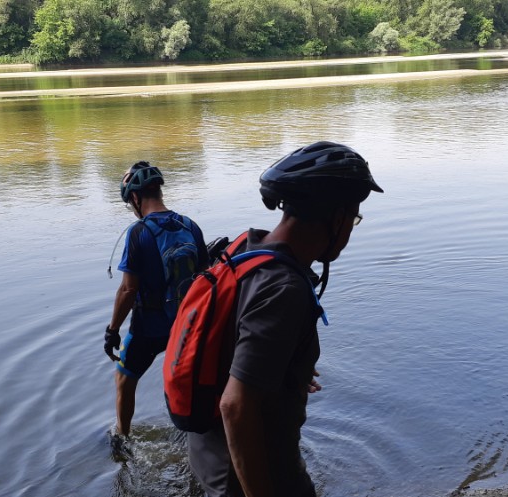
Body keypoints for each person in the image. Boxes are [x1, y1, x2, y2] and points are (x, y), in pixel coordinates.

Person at [186, 141, 383, 497]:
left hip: (208, 455)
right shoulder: (284, 288)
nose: (351, 229)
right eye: (354, 218)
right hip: (248, 474)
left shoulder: (243, 250)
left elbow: (232, 333)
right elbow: (235, 406)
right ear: (336, 218)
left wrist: (284, 366)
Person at [105, 161, 208, 437]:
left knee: (124, 380)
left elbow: (127, 290)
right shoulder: (190, 225)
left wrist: (112, 331)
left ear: (135, 197)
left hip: (149, 329)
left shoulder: (138, 232)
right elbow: (205, 277)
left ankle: (122, 437)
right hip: (187, 325)